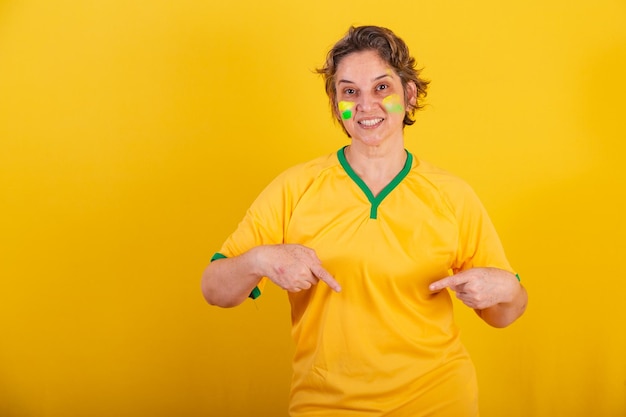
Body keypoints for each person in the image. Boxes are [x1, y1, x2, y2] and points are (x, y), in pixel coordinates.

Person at [201, 25, 528, 417]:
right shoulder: (295, 187)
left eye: (382, 88)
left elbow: (504, 315)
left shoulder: (452, 195)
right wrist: (260, 260)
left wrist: (507, 288)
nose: (365, 104)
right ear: (336, 103)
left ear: (409, 95)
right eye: (349, 91)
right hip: (325, 405)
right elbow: (214, 289)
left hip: (439, 401)